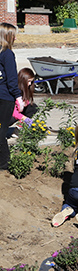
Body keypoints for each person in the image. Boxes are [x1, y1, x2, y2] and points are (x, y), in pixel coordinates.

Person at [0, 23, 23, 171]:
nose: (15, 38)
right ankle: (4, 163)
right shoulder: (8, 54)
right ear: (9, 37)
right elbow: (12, 78)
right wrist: (18, 97)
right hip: (5, 97)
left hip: (2, 96)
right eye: (13, 35)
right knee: (1, 132)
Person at [7, 68, 37, 137]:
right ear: (22, 80)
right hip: (7, 114)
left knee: (33, 107)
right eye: (28, 81)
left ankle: (19, 128)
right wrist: (24, 118)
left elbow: (26, 104)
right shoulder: (14, 90)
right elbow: (14, 112)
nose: (29, 84)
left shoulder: (24, 90)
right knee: (12, 117)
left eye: (31, 82)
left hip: (15, 112)